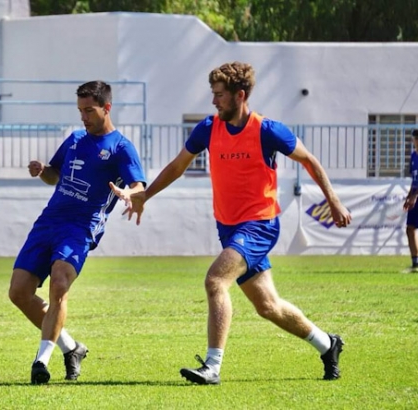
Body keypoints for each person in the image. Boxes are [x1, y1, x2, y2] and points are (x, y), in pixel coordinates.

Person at [111, 61, 352, 385]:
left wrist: (333, 201)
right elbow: (177, 166)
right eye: (213, 94)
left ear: (240, 95)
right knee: (268, 306)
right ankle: (328, 344)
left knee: (215, 281)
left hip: (259, 225)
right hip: (228, 227)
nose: (214, 101)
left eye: (220, 95)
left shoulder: (268, 130)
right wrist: (145, 195)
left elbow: (309, 160)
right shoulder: (208, 128)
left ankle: (212, 367)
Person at [8, 80, 146, 384]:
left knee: (59, 283)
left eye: (89, 110)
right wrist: (43, 170)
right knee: (18, 293)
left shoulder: (121, 147)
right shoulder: (74, 140)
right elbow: (54, 175)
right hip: (49, 222)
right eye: (80, 111)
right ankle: (71, 348)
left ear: (106, 108)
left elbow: (138, 185)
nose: (83, 117)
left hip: (81, 228)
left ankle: (41, 362)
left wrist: (129, 193)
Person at [403, 129, 418, 271]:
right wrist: (409, 195)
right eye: (415, 138)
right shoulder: (414, 156)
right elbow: (415, 180)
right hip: (415, 198)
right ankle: (416, 263)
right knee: (410, 229)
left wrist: (415, 196)